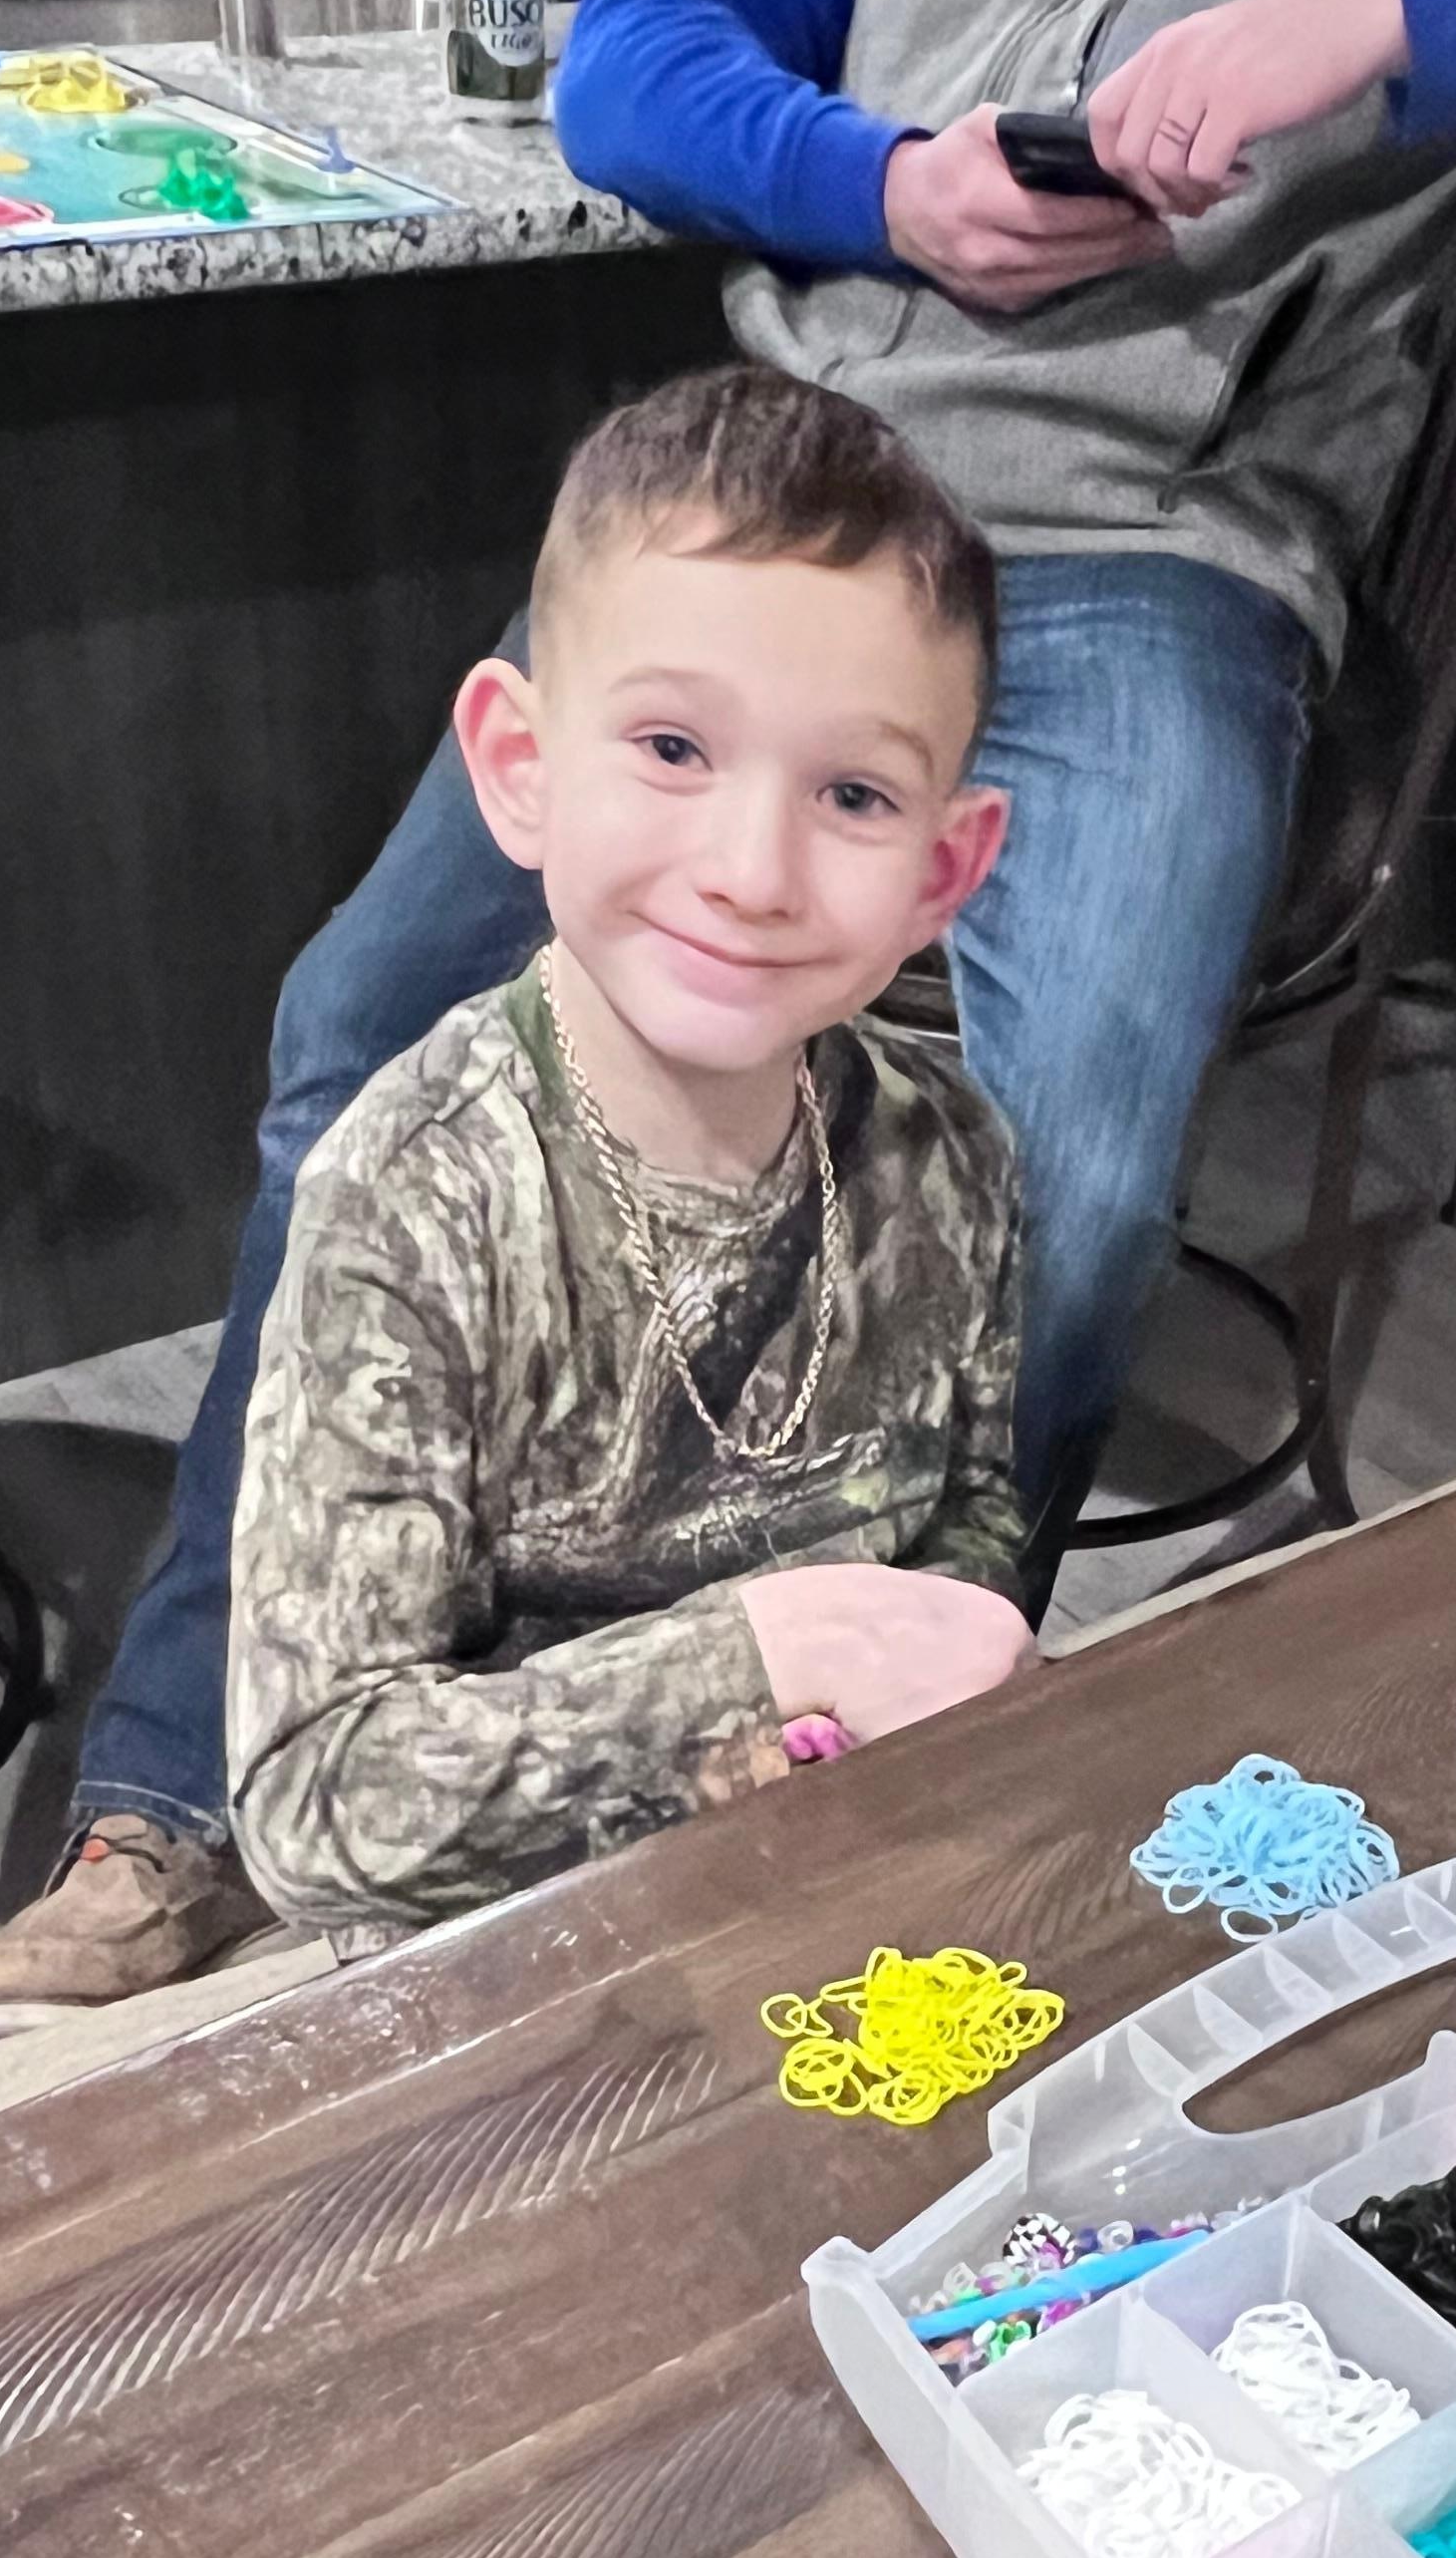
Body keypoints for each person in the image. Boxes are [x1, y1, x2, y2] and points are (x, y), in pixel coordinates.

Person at [0, 0, 1456, 2009]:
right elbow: (640, 46)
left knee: (1071, 1168)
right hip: (806, 533)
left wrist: (1376, 19)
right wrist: (880, 183)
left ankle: (885, 1779)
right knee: (356, 1026)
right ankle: (185, 1782)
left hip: (1156, 561)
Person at [219, 367, 1031, 1956]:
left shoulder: (950, 1149)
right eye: (672, 747)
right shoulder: (416, 1195)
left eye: (853, 794)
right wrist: (762, 1655)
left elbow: (972, 1515)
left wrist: (907, 1677)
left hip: (851, 1889)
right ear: (519, 768)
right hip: (513, 1967)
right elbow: (318, 1805)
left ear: (947, 867)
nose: (750, 872)